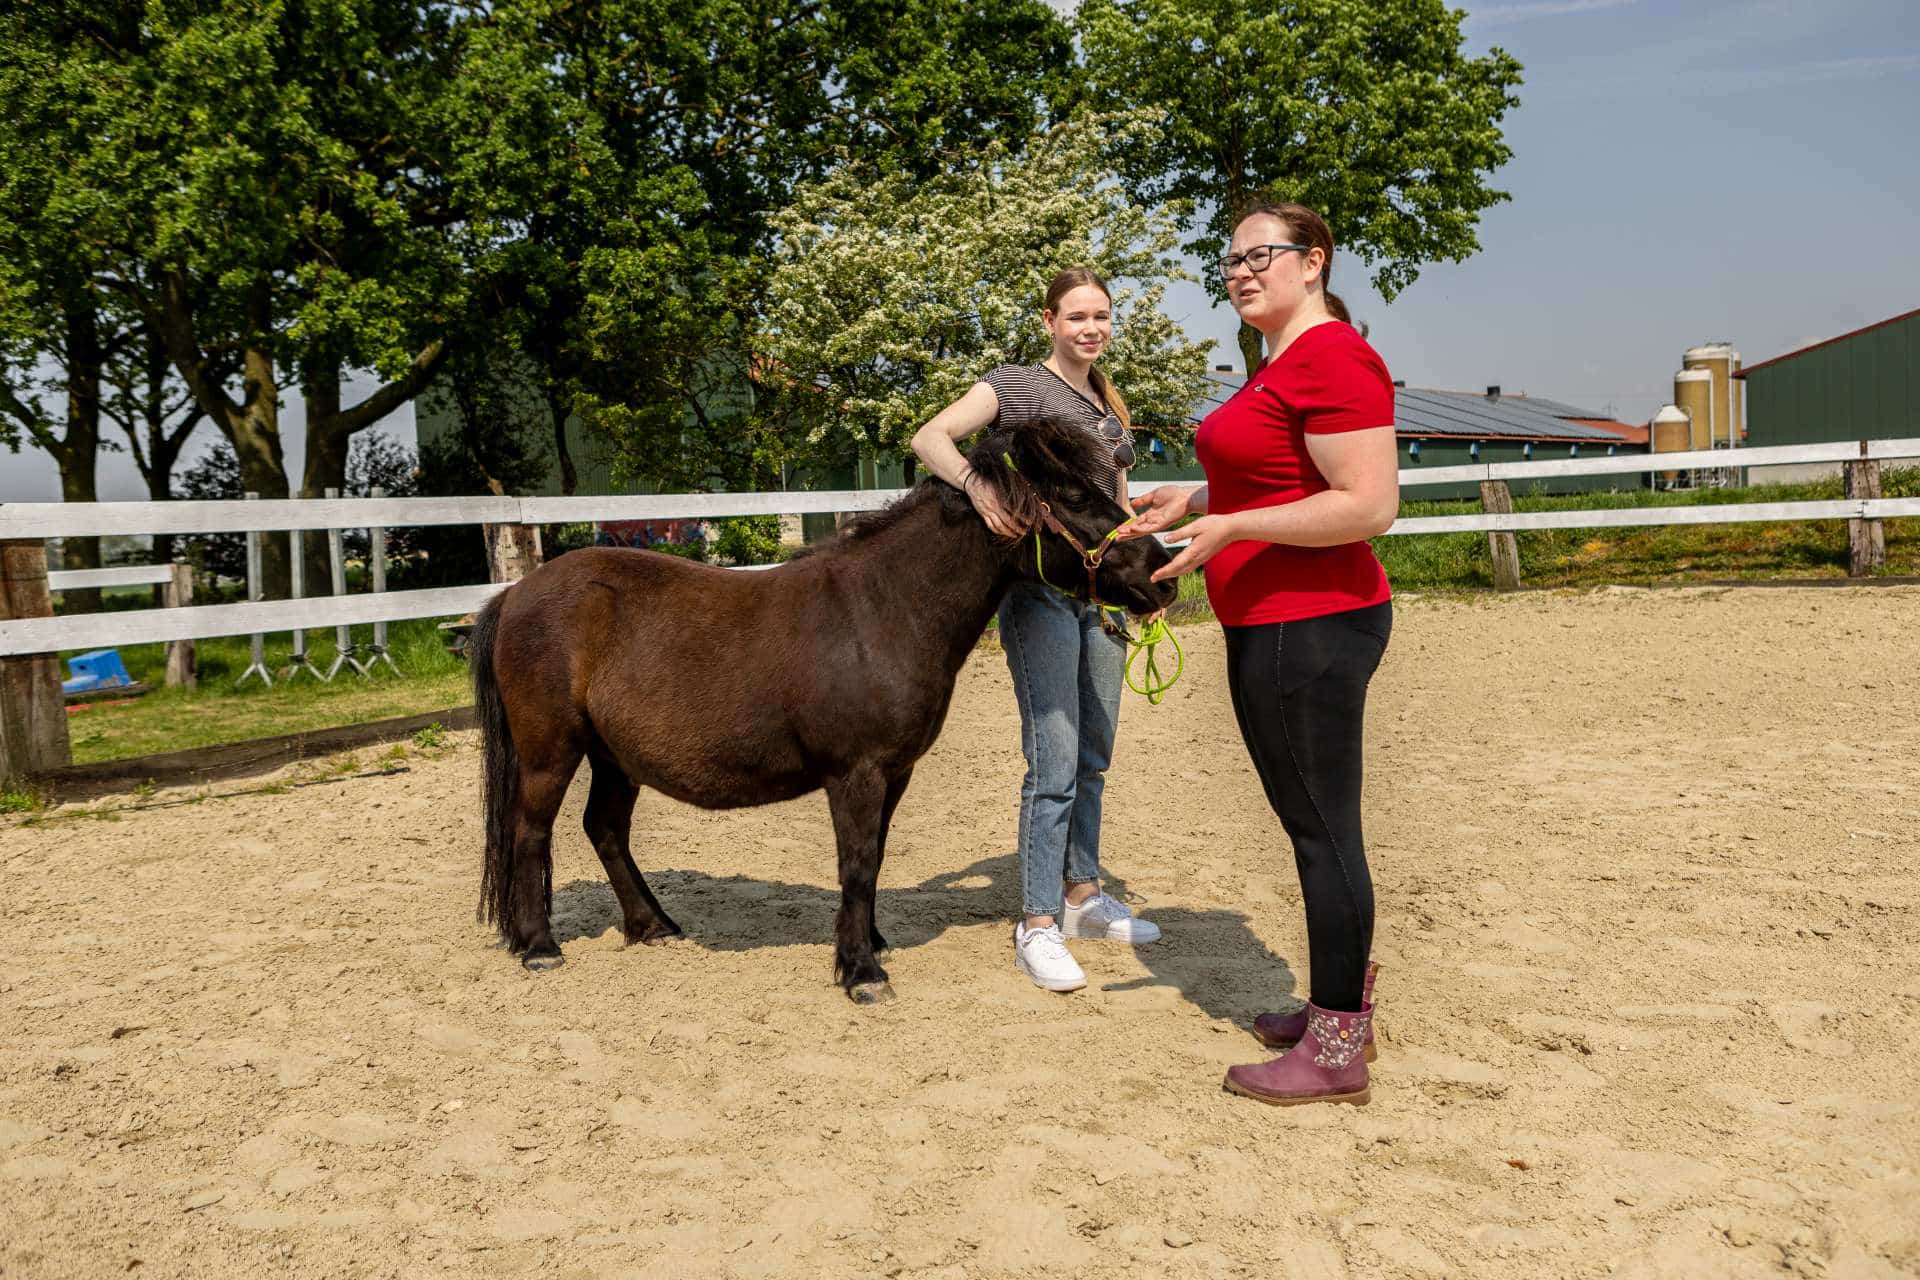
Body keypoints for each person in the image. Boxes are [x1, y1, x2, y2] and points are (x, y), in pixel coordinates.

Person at [1123, 203, 1399, 1105]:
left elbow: (1366, 505)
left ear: (1312, 262)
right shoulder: (1280, 362)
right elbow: (1285, 471)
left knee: (1323, 832)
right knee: (1312, 825)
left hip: (1308, 622)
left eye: (1260, 257)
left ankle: (1335, 1050)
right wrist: (1195, 496)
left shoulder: (1335, 358)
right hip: (1278, 620)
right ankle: (1333, 1006)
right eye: (1231, 262)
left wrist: (1234, 522)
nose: (1241, 273)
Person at [910, 268, 1163, 994]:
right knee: (1051, 760)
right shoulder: (1016, 385)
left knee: (1093, 752)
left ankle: (1083, 892)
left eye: (1102, 317)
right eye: (1077, 316)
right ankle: (1038, 922)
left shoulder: (1108, 408)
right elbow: (932, 437)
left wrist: (1136, 562)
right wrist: (978, 485)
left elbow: (1110, 506)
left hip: (1099, 598)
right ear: (1049, 320)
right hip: (1042, 596)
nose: (1091, 328)